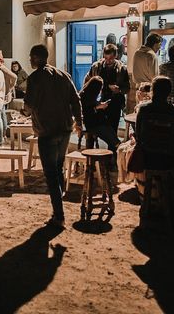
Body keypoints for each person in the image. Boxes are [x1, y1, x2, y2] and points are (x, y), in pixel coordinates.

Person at [23, 44, 83, 228]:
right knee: (58, 168)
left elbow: (28, 107)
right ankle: (60, 202)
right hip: (64, 129)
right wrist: (79, 122)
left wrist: (24, 111)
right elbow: (76, 100)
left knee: (50, 173)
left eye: (31, 57)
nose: (30, 60)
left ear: (37, 58)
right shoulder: (64, 75)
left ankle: (59, 216)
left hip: (47, 131)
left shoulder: (34, 79)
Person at [134, 76, 174, 227]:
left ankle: (147, 206)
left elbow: (138, 136)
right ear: (168, 92)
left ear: (152, 90)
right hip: (167, 159)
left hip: (147, 158)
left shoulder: (143, 109)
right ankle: (172, 204)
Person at [84, 43, 129, 135]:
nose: (108, 61)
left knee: (113, 129)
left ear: (116, 56)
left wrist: (119, 90)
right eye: (106, 58)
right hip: (98, 100)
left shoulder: (122, 69)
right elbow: (87, 82)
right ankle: (91, 148)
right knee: (93, 128)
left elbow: (127, 88)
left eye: (111, 59)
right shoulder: (96, 67)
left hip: (115, 102)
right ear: (103, 55)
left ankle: (112, 148)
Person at [79, 76, 121, 157]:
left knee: (112, 134)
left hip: (98, 122)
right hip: (92, 124)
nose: (101, 90)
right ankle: (113, 160)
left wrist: (100, 105)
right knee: (113, 140)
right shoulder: (83, 95)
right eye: (100, 88)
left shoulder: (91, 95)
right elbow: (86, 112)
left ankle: (112, 159)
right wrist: (98, 107)